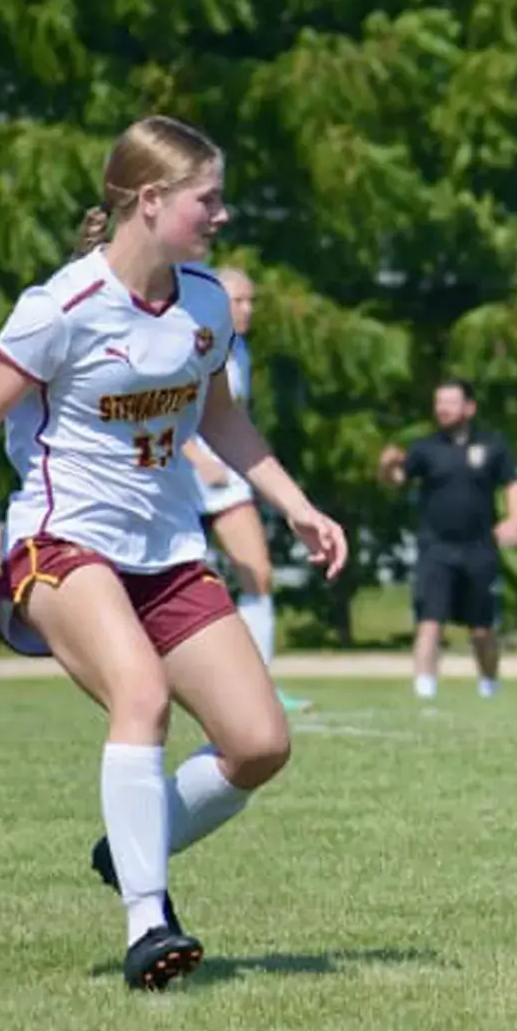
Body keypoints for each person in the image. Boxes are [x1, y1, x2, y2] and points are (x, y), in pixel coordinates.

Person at [0, 116, 348, 991]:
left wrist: (298, 507)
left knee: (259, 743)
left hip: (167, 552)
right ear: (152, 200)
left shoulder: (204, 302)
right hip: (61, 541)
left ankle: (132, 842)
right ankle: (148, 924)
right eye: (210, 199)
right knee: (142, 695)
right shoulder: (63, 307)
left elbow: (223, 418)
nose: (222, 215)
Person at [177, 265, 311, 713]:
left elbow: (232, 420)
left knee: (258, 574)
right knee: (169, 582)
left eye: (252, 300)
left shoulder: (240, 352)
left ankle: (260, 688)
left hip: (227, 481)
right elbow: (166, 412)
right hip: (177, 477)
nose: (247, 309)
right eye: (238, 300)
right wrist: (198, 458)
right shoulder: (186, 340)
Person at [377, 379, 517, 700]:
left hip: (479, 548)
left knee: (482, 629)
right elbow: (397, 479)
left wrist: (516, 520)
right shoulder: (424, 448)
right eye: (439, 402)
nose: (442, 409)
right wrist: (387, 467)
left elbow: (514, 484)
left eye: (450, 402)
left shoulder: (493, 445)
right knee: (430, 621)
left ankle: (489, 685)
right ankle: (424, 691)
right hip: (436, 548)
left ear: (469, 408)